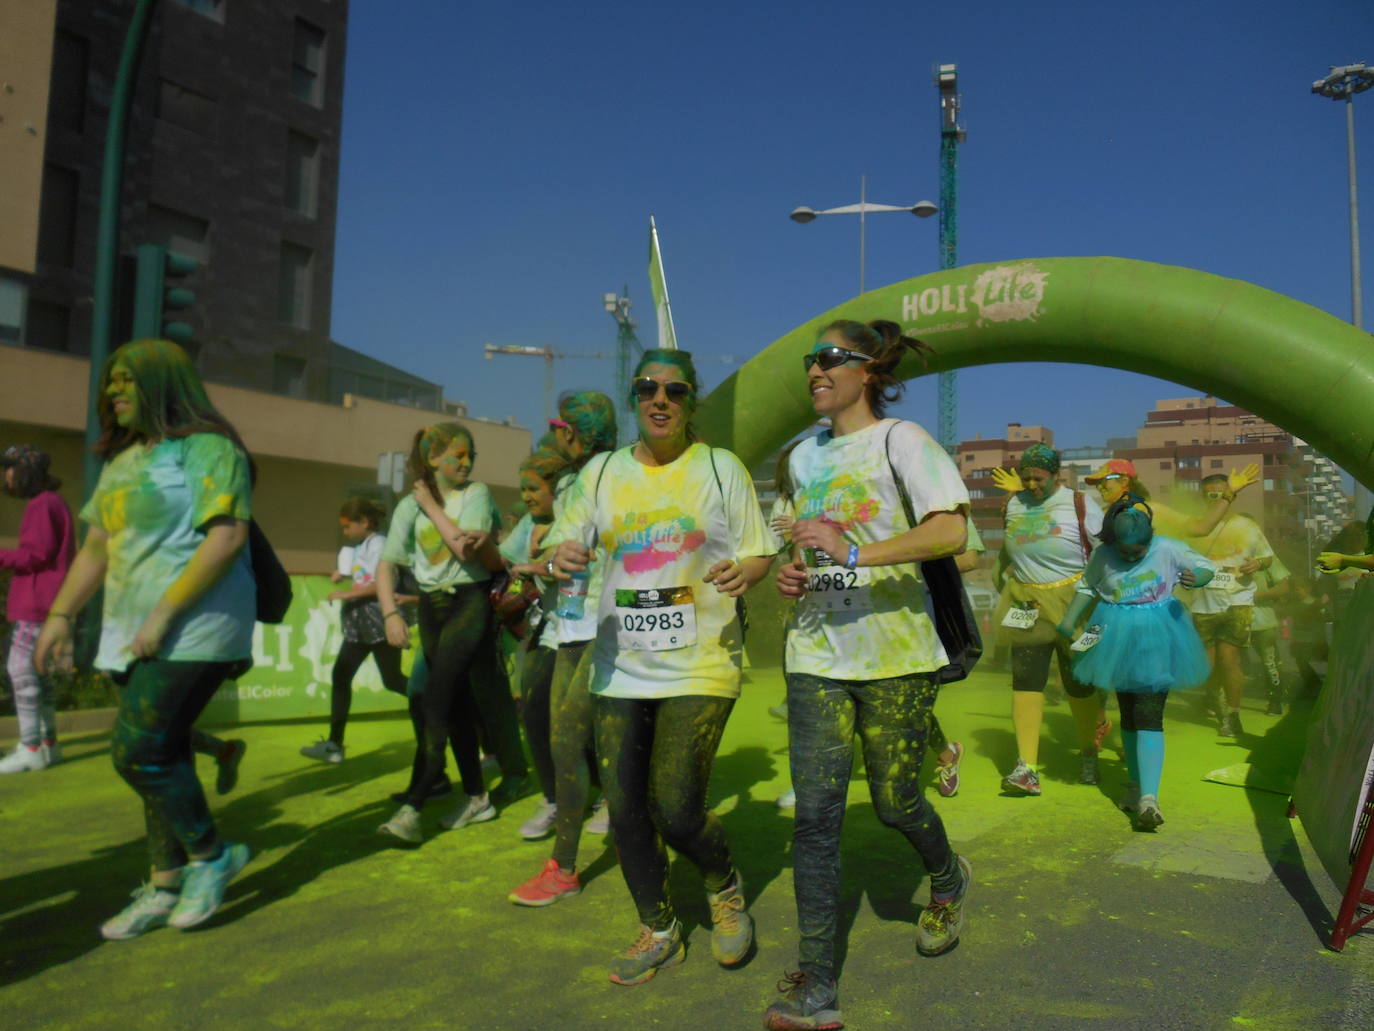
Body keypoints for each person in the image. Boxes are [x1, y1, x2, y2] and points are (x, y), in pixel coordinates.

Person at [542, 351, 775, 984]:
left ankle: (723, 885)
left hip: (701, 659)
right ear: (634, 398)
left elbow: (758, 554)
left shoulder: (721, 469)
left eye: (674, 389)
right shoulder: (602, 472)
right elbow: (563, 542)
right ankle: (660, 925)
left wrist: (743, 572)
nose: (660, 399)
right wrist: (560, 553)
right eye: (647, 388)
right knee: (623, 807)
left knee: (675, 807)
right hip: (620, 663)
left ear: (691, 400)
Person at [764, 320, 971, 1031]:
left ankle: (947, 877)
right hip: (816, 654)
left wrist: (855, 553)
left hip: (896, 657)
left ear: (868, 369)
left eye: (829, 359)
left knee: (894, 802)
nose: (815, 371)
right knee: (817, 818)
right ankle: (815, 980)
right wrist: (794, 576)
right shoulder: (799, 458)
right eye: (810, 361)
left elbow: (951, 532)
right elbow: (802, 543)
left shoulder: (902, 440)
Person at [33, 339, 254, 939]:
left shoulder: (209, 449)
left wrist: (162, 615)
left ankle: (213, 857)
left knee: (136, 750)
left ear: (162, 383)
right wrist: (59, 618)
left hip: (197, 628)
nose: (113, 392)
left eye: (126, 380)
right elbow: (97, 548)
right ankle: (164, 882)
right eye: (110, 382)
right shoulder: (122, 462)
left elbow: (226, 539)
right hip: (131, 632)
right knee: (166, 752)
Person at [508, 391, 620, 904]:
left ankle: (570, 864)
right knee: (574, 743)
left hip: (604, 627)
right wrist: (545, 560)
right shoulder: (593, 476)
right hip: (577, 625)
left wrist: (543, 561)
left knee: (575, 744)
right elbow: (559, 552)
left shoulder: (601, 475)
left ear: (571, 432)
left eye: (557, 426)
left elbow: (566, 552)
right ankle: (569, 861)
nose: (552, 435)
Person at [374, 423, 501, 844]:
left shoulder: (476, 495)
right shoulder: (409, 506)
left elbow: (465, 549)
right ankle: (477, 796)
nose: (467, 462)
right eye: (458, 455)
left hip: (469, 601)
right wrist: (391, 613)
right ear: (433, 459)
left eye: (470, 455)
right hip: (431, 608)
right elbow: (387, 564)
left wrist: (429, 504)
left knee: (436, 698)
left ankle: (413, 805)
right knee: (457, 704)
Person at [1058, 496, 1214, 830]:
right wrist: (1069, 620)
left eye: (1138, 551)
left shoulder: (1167, 548)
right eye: (1125, 552)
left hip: (1160, 637)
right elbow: (1088, 586)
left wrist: (1197, 576)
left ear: (1150, 539)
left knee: (1148, 713)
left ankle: (1149, 798)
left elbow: (1206, 566)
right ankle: (1136, 784)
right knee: (1128, 713)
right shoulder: (1103, 555)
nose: (1131, 557)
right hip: (1117, 638)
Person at [990, 443, 1106, 794]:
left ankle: (1089, 752)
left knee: (1078, 684)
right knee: (1026, 681)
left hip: (1076, 602)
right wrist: (1000, 581)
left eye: (1038, 479)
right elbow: (1007, 549)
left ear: (1057, 475)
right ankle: (1026, 767)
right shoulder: (1012, 503)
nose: (1031, 486)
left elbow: (1105, 554)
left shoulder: (1080, 503)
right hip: (1027, 601)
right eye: (1025, 479)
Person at [300, 497, 408, 763]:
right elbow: (365, 576)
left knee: (392, 679)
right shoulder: (363, 546)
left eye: (349, 526)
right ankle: (335, 744)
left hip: (377, 621)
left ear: (365, 522)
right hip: (360, 623)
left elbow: (383, 585)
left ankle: (443, 704)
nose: (346, 532)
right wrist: (342, 573)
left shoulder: (381, 545)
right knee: (342, 676)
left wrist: (346, 594)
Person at [0, 445, 75, 773]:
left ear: (25, 471)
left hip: (37, 602)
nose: (6, 475)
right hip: (48, 601)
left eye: (10, 468)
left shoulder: (42, 505)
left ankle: (30, 747)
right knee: (37, 673)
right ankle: (47, 745)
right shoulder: (51, 503)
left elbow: (37, 554)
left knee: (19, 668)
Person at [1182, 474, 1275, 738]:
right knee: (1208, 664)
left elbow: (1266, 557)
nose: (1215, 497)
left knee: (1229, 660)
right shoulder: (1195, 527)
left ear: (1231, 494)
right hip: (1203, 603)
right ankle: (1214, 699)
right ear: (1203, 496)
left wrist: (1257, 564)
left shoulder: (1246, 525)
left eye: (1220, 493)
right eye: (1210, 494)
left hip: (1238, 600)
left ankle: (1232, 715)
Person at [1248, 557, 1291, 715]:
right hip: (1229, 619)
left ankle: (1276, 700)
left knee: (1269, 662)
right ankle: (1219, 702)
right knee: (1226, 661)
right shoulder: (1222, 553)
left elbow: (1284, 587)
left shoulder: (1266, 557)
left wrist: (1255, 596)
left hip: (1262, 620)